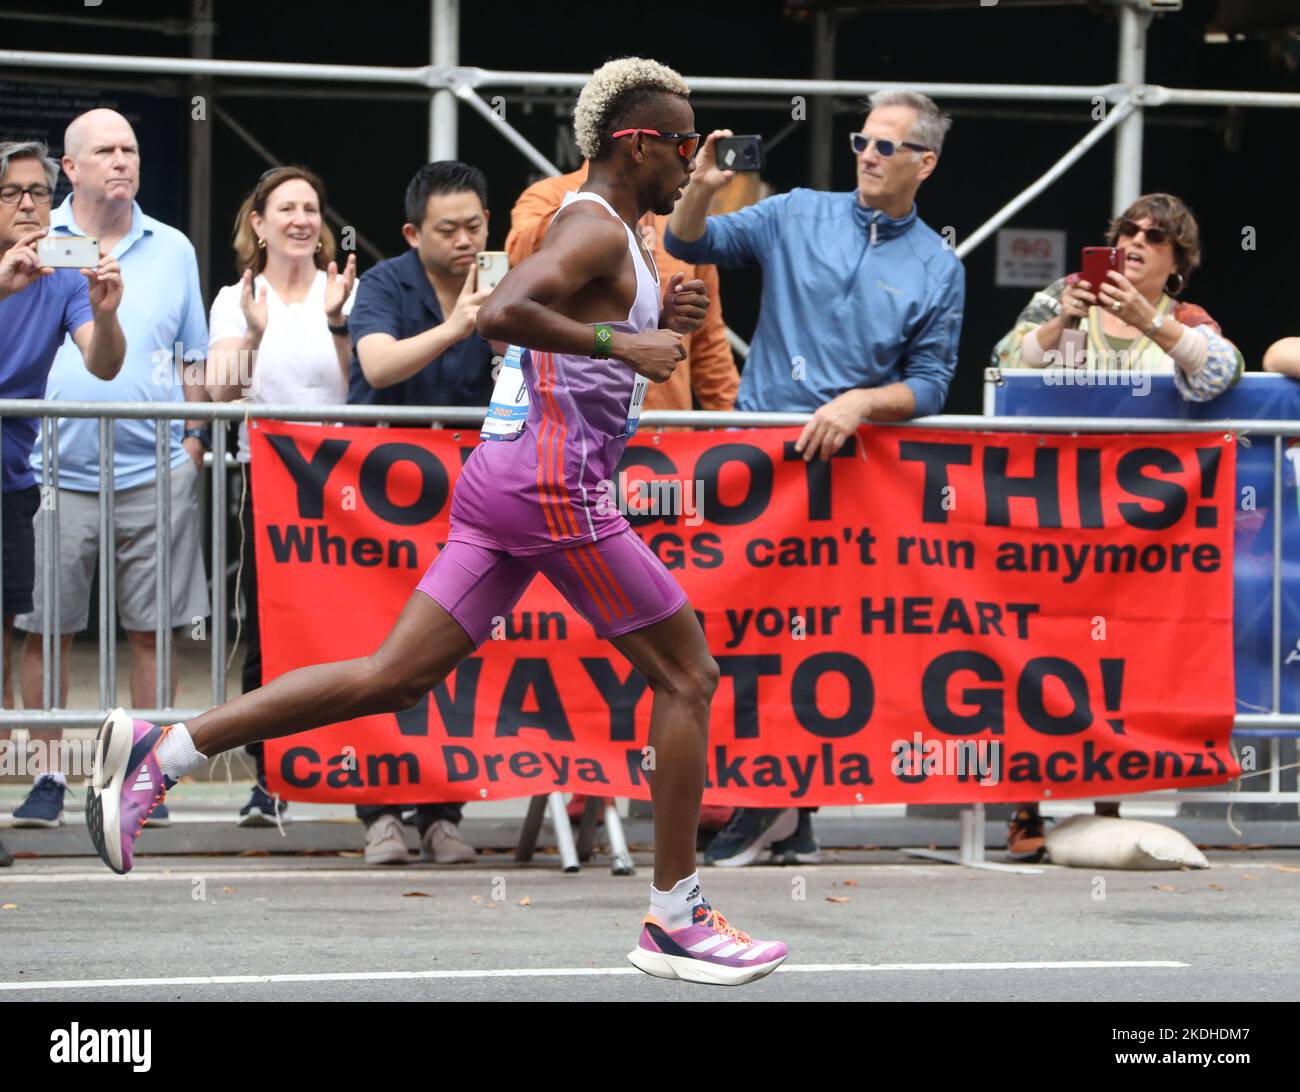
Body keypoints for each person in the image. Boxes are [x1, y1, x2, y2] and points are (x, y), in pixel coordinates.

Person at [86, 57, 786, 986]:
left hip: (508, 481)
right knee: (690, 675)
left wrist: (664, 313)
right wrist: (628, 339)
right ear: (636, 143)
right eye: (685, 142)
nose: (697, 157)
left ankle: (164, 749)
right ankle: (675, 920)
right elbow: (503, 311)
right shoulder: (589, 222)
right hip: (551, 487)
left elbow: (594, 315)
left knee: (393, 676)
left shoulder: (626, 231)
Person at [665, 88, 966, 867]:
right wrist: (699, 186)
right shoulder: (797, 210)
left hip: (852, 479)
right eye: (863, 141)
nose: (867, 155)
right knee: (734, 635)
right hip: (759, 468)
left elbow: (932, 385)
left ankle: (781, 807)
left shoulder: (938, 264)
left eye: (887, 147)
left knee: (823, 650)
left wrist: (861, 401)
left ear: (924, 163)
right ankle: (772, 811)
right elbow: (690, 242)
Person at [992, 191, 1243, 859]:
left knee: (1116, 663)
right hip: (1056, 516)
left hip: (1142, 532)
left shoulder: (1185, 317)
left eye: (1154, 237)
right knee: (1041, 655)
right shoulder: (1066, 298)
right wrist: (1058, 327)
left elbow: (1221, 372)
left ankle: (1108, 795)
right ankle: (1028, 807)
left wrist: (1151, 324)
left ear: (1176, 260)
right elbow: (1002, 369)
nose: (1134, 243)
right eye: (1127, 231)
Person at [11, 110, 211, 830]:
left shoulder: (175, 248)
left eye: (130, 147)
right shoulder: (36, 242)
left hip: (154, 470)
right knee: (48, 630)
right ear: (71, 167)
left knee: (152, 632)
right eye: (105, 150)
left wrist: (192, 440)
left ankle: (142, 779)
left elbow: (194, 356)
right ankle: (46, 780)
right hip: (52, 471)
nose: (122, 160)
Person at [345, 160, 497, 866]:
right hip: (376, 511)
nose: (466, 240)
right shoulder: (382, 285)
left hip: (472, 509)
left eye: (476, 225)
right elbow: (377, 367)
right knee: (376, 658)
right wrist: (458, 327)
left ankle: (443, 814)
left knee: (453, 656)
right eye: (448, 229)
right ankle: (379, 813)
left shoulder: (508, 280)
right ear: (413, 233)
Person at [206, 165, 357, 826]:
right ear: (259, 224)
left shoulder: (348, 291)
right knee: (269, 635)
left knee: (350, 633)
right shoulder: (233, 297)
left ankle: (358, 780)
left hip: (345, 486)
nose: (300, 219)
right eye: (286, 208)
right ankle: (270, 783)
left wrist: (339, 322)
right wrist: (257, 331)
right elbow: (218, 393)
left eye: (310, 208)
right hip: (263, 483)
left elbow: (366, 387)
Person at [0, 139, 125, 835]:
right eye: (13, 193)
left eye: (39, 194)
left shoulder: (61, 270)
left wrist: (105, 312)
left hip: (9, 480)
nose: (28, 206)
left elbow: (103, 366)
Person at [505, 161, 738, 417]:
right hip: (576, 425)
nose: (691, 163)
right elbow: (519, 258)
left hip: (667, 432)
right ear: (638, 144)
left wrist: (736, 428)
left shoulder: (682, 218)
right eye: (680, 144)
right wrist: (592, 205)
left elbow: (710, 343)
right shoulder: (550, 196)